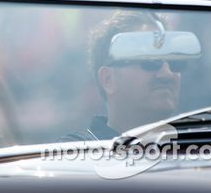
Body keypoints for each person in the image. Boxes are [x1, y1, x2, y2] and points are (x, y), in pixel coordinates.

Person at [62, 11, 187, 141]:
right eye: (150, 61)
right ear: (108, 79)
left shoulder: (199, 143)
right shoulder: (74, 153)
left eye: (174, 62)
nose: (167, 74)